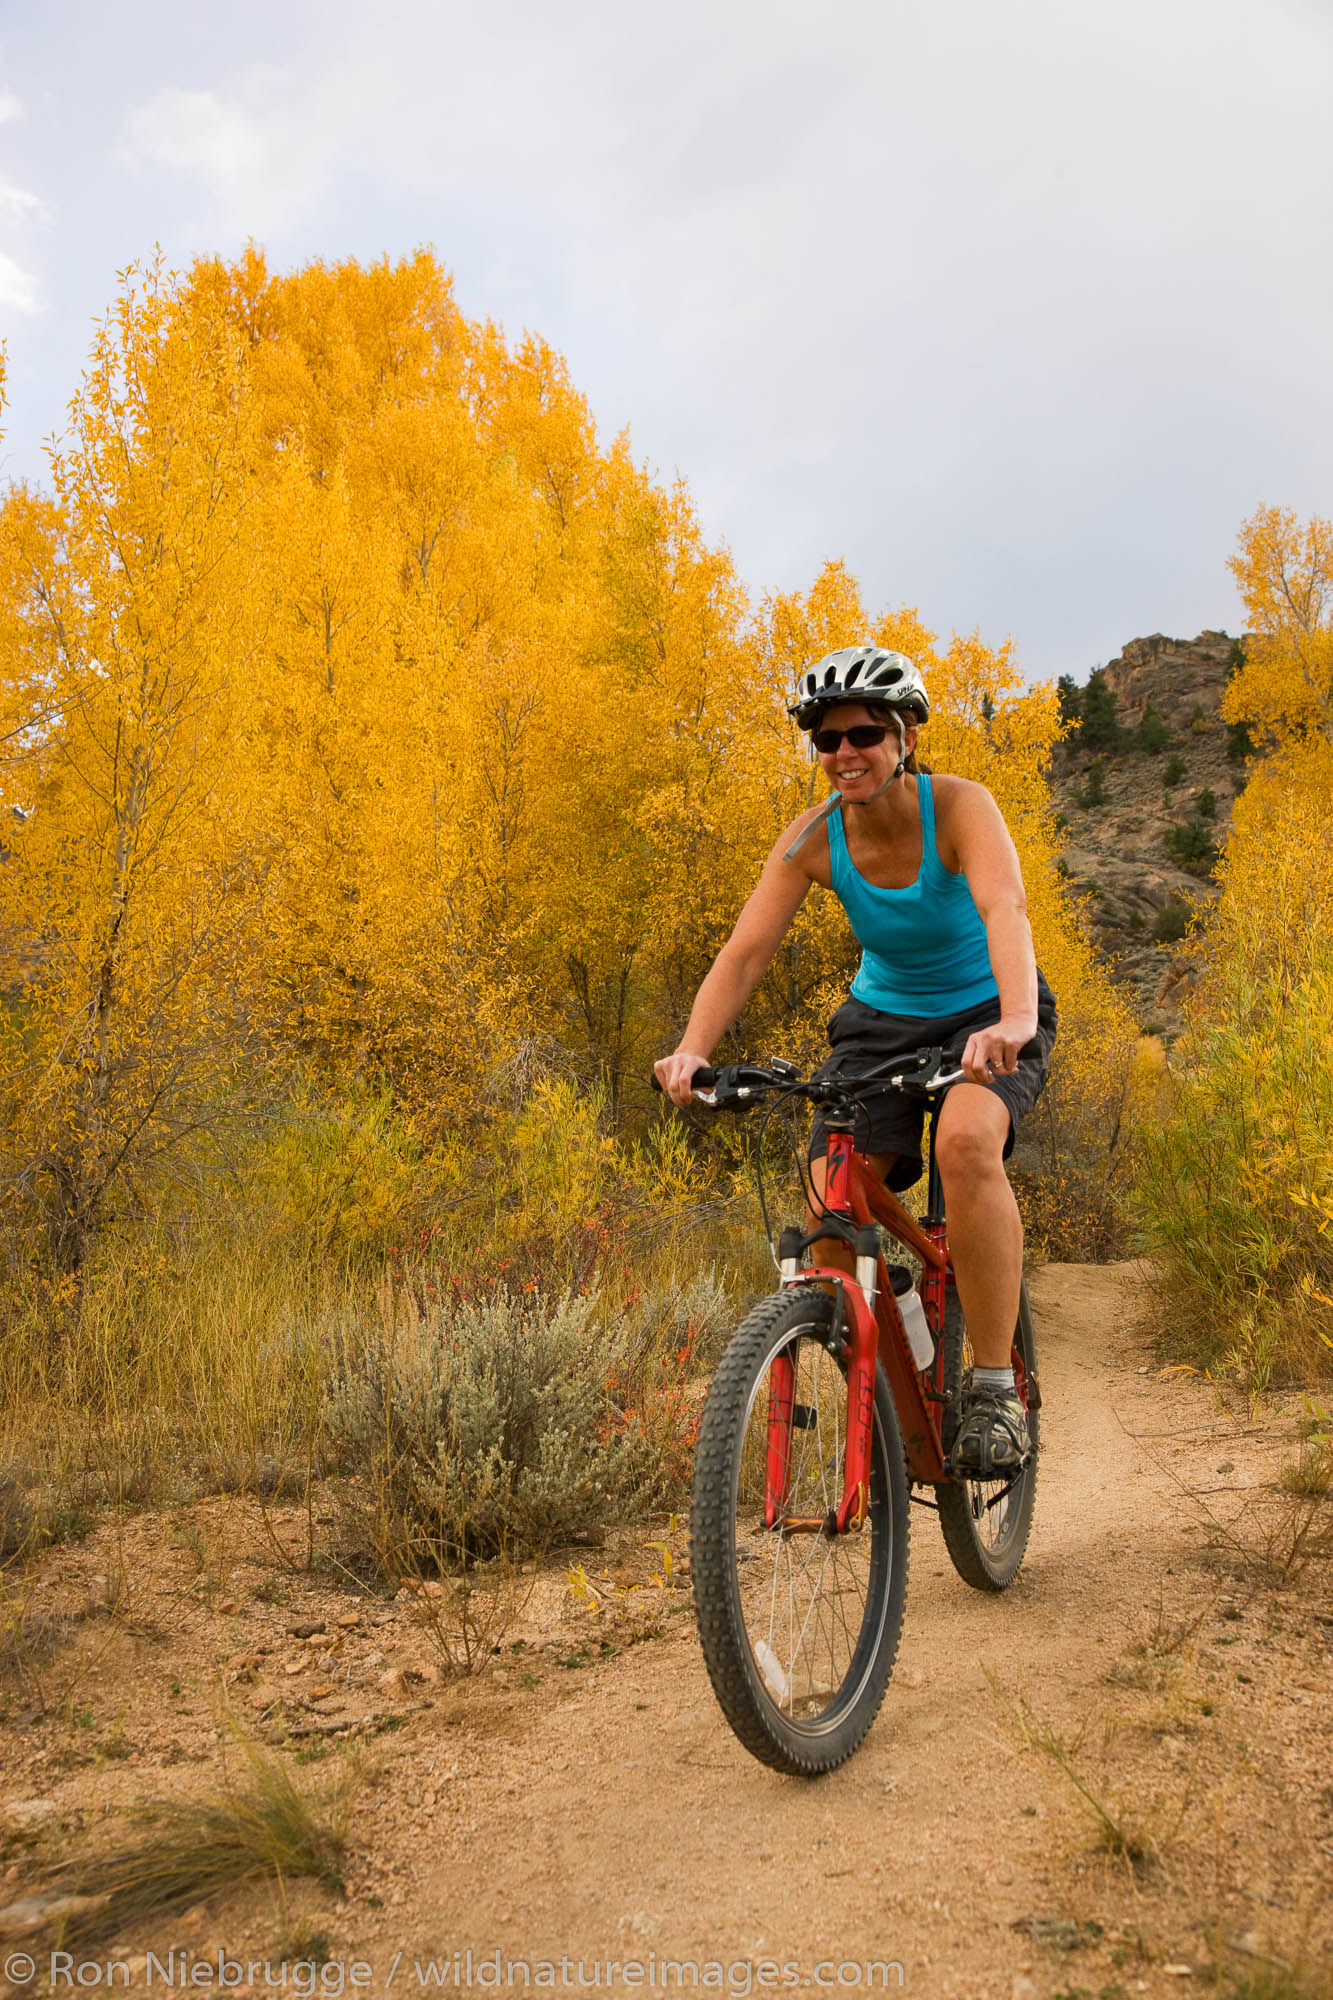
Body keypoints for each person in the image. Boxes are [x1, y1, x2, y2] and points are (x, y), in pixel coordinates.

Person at [653, 644, 1057, 1479]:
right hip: (879, 1024)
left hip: (987, 1012)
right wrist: (693, 1051)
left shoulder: (959, 808)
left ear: (905, 735)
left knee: (965, 1145)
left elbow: (1003, 906)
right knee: (828, 1222)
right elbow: (743, 955)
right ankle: (901, 1328)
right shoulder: (811, 838)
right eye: (826, 739)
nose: (845, 753)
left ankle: (990, 1388)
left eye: (865, 733)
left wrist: (1015, 1016)